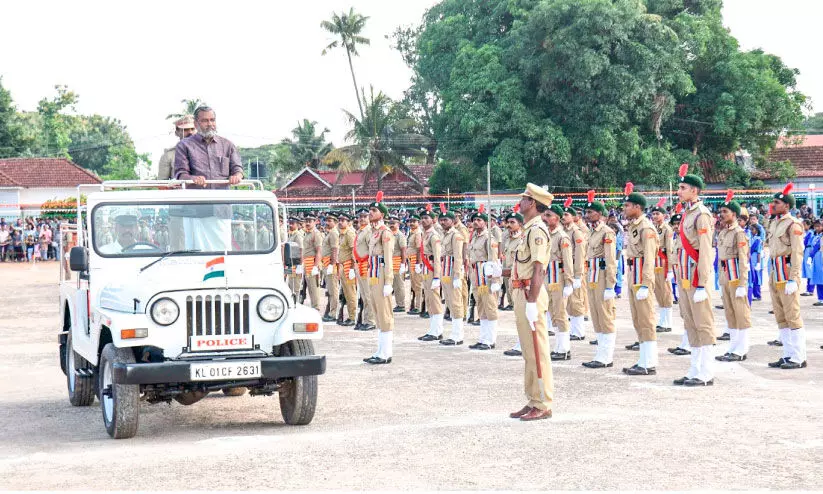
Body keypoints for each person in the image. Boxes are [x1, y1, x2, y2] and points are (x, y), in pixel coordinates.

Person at [509, 183, 554, 422]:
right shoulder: (528, 229)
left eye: (525, 198)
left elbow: (539, 269)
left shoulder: (537, 231)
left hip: (530, 293)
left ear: (533, 204)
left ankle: (544, 403)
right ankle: (533, 399)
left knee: (538, 351)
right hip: (522, 292)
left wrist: (532, 302)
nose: (521, 202)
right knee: (529, 351)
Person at [673, 164, 717, 386]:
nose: (678, 192)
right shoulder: (686, 214)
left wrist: (702, 283)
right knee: (690, 322)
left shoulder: (702, 215)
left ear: (694, 191)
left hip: (696, 278)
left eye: (682, 188)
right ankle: (694, 368)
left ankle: (706, 372)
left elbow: (705, 250)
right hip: (685, 277)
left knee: (703, 323)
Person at [766, 183, 807, 369]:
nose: (773, 205)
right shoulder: (774, 222)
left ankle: (799, 357)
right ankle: (788, 354)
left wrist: (794, 278)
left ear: (787, 206)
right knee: (780, 315)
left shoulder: (793, 224)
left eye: (776, 202)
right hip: (775, 271)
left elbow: (798, 252)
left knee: (792, 314)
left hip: (787, 271)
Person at [621, 183, 659, 375]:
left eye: (627, 206)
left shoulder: (646, 228)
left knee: (646, 320)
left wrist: (646, 283)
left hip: (641, 279)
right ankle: (643, 360)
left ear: (637, 207)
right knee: (638, 320)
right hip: (632, 276)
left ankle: (649, 362)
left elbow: (650, 258)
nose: (624, 209)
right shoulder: (633, 227)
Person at [581, 191, 617, 368]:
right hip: (592, 276)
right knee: (595, 314)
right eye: (586, 213)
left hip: (602, 276)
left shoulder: (606, 232)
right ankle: (600, 354)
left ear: (600, 214)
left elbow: (610, 260)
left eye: (591, 213)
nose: (587, 215)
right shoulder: (591, 232)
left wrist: (611, 285)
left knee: (605, 315)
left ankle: (606, 356)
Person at [714, 191, 752, 362]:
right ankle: (733, 347)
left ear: (734, 214)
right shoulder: (722, 233)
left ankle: (742, 348)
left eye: (725, 212)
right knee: (730, 313)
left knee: (740, 313)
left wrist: (743, 284)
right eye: (721, 212)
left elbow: (743, 259)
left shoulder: (739, 233)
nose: (722, 215)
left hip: (736, 276)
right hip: (725, 276)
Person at [174, 106, 243, 189]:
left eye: (212, 120)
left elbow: (237, 169)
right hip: (195, 199)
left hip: (223, 199)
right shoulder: (184, 145)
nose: (210, 124)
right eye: (205, 121)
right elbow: (181, 174)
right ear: (195, 124)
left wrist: (236, 176)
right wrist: (193, 179)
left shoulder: (228, 145)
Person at [362, 192, 396, 365]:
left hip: (382, 273)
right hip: (373, 273)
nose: (370, 213)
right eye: (369, 210)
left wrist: (389, 282)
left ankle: (386, 353)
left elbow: (388, 258)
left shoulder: (385, 232)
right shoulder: (374, 232)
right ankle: (380, 350)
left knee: (384, 313)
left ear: (382, 214)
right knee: (377, 311)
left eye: (373, 210)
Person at [541, 203, 574, 361]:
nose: (545, 218)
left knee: (560, 313)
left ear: (557, 218)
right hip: (548, 277)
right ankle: (558, 346)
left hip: (559, 278)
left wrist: (569, 282)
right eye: (545, 215)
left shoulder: (562, 236)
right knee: (552, 312)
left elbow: (567, 261)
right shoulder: (547, 234)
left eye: (549, 215)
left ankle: (565, 348)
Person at [467, 208, 502, 350]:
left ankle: (490, 340)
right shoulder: (474, 237)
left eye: (479, 220)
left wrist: (494, 281)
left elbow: (493, 259)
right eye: (474, 220)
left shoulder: (489, 238)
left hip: (486, 275)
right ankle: (483, 338)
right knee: (480, 306)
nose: (476, 222)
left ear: (485, 223)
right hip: (476, 274)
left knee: (490, 306)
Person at [438, 205, 467, 346]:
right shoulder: (444, 234)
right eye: (441, 220)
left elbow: (458, 256)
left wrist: (457, 275)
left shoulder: (456, 235)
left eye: (446, 220)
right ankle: (454, 333)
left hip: (452, 270)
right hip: (445, 270)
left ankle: (458, 335)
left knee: (455, 303)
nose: (443, 222)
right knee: (449, 302)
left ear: (452, 221)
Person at [561, 198, 588, 342]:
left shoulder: (576, 232)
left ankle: (578, 331)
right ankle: (574, 330)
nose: (563, 217)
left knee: (576, 300)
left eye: (566, 215)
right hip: (567, 268)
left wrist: (578, 275)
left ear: (573, 217)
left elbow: (579, 254)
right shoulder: (564, 231)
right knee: (569, 301)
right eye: (563, 215)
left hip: (575, 267)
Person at [417, 204, 445, 341]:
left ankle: (437, 330)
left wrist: (436, 277)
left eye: (427, 218)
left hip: (432, 269)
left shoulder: (434, 236)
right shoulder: (425, 234)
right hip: (425, 269)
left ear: (433, 220)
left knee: (434, 300)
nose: (423, 220)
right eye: (422, 218)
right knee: (429, 299)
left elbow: (438, 256)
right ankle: (433, 329)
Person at [502, 209, 526, 357]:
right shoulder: (509, 239)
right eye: (508, 222)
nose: (509, 225)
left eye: (512, 222)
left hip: (520, 279)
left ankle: (523, 343)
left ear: (520, 224)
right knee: (517, 312)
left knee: (522, 313)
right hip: (510, 279)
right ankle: (521, 342)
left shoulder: (523, 240)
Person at [650, 200, 674, 333]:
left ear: (664, 215)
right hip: (655, 262)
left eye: (657, 214)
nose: (654, 216)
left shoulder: (667, 229)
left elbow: (669, 249)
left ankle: (667, 322)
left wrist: (670, 269)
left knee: (666, 292)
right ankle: (662, 321)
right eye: (653, 214)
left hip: (664, 262)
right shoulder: (654, 228)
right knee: (658, 292)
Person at [354, 209, 376, 331]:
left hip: (365, 265)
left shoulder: (368, 231)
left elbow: (371, 250)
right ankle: (365, 319)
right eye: (360, 216)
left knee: (368, 295)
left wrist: (370, 265)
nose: (362, 219)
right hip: (359, 265)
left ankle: (371, 321)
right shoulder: (360, 231)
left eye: (364, 216)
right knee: (363, 295)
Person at [158, 115, 196, 180]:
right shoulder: (168, 156)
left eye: (192, 129)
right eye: (185, 130)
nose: (190, 132)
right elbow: (162, 184)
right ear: (177, 133)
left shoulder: (205, 151)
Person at [336, 212, 358, 326]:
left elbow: (354, 251)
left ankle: (352, 317)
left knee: (350, 293)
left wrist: (352, 269)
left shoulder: (349, 233)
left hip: (349, 266)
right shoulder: (342, 234)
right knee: (346, 293)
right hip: (343, 265)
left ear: (348, 222)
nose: (340, 222)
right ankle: (350, 315)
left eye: (343, 220)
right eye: (339, 220)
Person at [301, 215, 324, 311]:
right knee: (310, 287)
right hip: (307, 262)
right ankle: (313, 307)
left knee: (314, 288)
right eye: (306, 220)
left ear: (315, 222)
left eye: (310, 221)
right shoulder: (307, 233)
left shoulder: (316, 234)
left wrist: (315, 266)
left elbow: (319, 250)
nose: (307, 223)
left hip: (313, 262)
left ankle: (316, 308)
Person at [321, 213, 340, 323]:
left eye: (330, 221)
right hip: (326, 264)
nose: (327, 222)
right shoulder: (329, 233)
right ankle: (331, 311)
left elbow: (334, 249)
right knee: (330, 290)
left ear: (335, 222)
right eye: (326, 220)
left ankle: (333, 313)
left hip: (330, 264)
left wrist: (332, 265)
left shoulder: (333, 233)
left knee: (333, 290)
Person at [388, 216, 408, 312]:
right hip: (389, 261)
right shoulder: (388, 234)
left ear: (398, 224)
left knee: (398, 285)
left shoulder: (400, 235)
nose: (391, 225)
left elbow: (403, 250)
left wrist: (403, 264)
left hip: (397, 261)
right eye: (390, 223)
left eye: (393, 223)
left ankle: (401, 304)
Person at [406, 213, 424, 315]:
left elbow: (419, 249)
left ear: (418, 222)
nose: (411, 223)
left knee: (417, 284)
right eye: (410, 221)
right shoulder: (412, 232)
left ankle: (418, 306)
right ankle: (415, 305)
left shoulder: (417, 233)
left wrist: (418, 263)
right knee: (413, 284)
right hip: (411, 259)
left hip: (415, 260)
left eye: (414, 221)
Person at [286, 217, 305, 303]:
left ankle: (296, 303)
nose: (290, 225)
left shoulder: (298, 235)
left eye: (292, 223)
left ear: (297, 225)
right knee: (289, 285)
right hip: (290, 264)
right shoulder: (291, 234)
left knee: (295, 287)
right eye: (290, 223)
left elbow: (301, 249)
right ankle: (291, 303)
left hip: (296, 264)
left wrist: (300, 265)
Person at [810, 220, 823, 306]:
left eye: (819, 226)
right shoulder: (817, 236)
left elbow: (818, 247)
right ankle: (820, 298)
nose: (817, 228)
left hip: (821, 257)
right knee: (818, 278)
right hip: (817, 258)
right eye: (815, 226)